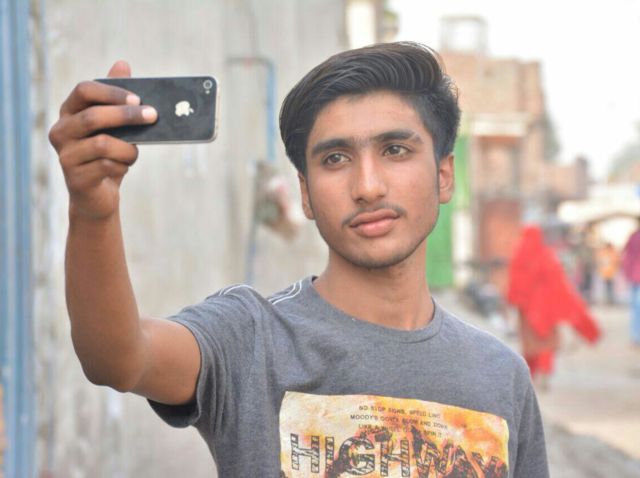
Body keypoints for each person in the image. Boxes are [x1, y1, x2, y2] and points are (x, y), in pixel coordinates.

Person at [49, 42, 548, 477]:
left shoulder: (498, 375)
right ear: (306, 194)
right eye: (336, 159)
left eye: (395, 150)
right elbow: (118, 358)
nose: (367, 186)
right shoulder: (251, 340)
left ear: (443, 176)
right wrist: (93, 210)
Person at [507, 225, 601, 388]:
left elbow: (515, 284)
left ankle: (530, 375)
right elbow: (559, 283)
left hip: (527, 310)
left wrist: (516, 302)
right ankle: (544, 371)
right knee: (546, 341)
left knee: (530, 343)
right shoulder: (546, 256)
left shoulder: (519, 256)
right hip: (546, 308)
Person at [622, 221, 640, 346]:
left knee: (635, 307)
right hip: (636, 275)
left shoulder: (633, 236)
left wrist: (627, 272)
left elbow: (626, 255)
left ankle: (635, 335)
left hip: (634, 275)